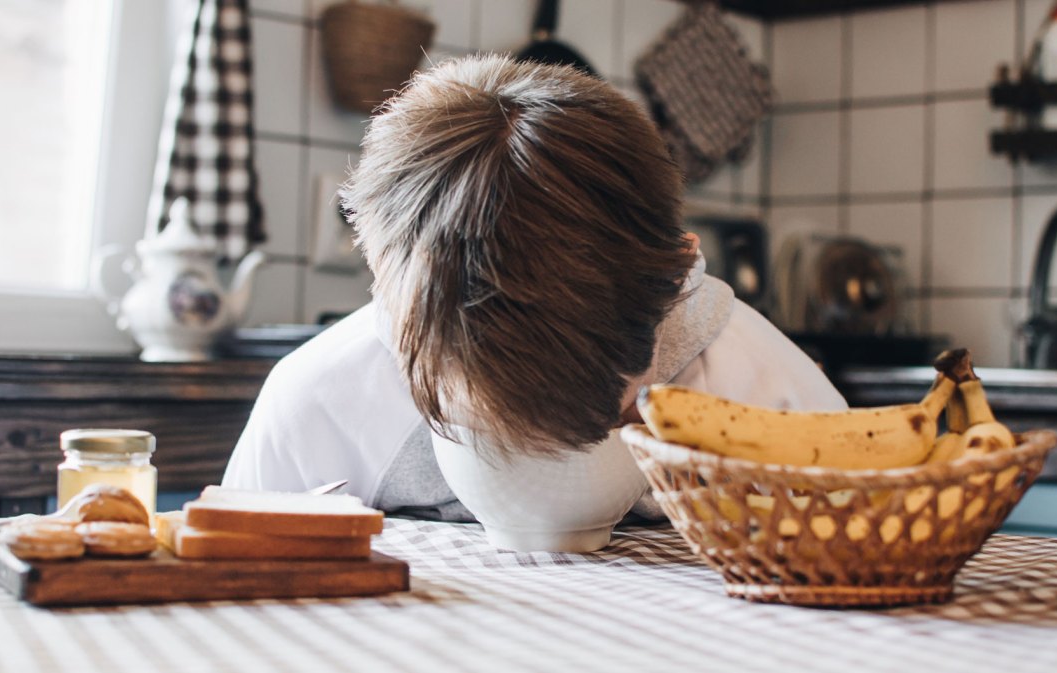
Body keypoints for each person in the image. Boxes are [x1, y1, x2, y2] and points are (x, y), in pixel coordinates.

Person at [222, 54, 846, 520]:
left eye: (615, 414)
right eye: (488, 427)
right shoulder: (321, 406)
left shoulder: (760, 386)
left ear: (676, 280)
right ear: (388, 292)